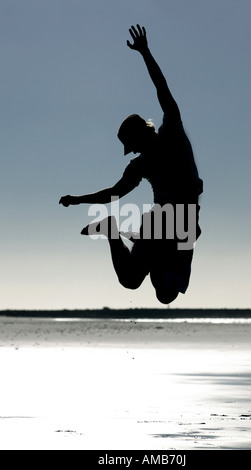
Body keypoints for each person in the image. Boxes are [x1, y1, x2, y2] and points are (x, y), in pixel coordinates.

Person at [60, 25, 203, 304]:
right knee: (129, 279)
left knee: (166, 294)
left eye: (132, 145)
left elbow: (162, 89)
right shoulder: (139, 166)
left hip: (185, 220)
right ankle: (111, 231)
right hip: (161, 222)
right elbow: (113, 193)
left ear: (141, 134)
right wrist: (77, 200)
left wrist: (145, 53)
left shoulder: (171, 132)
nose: (131, 152)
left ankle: (153, 257)